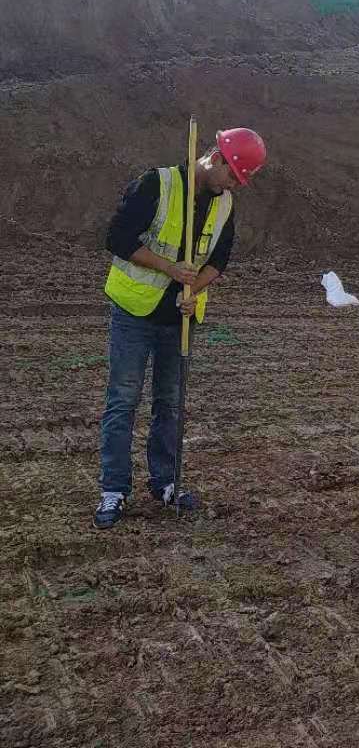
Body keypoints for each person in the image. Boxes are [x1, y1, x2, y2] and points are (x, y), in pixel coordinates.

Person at [94, 127, 267, 529]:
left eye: (240, 182)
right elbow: (117, 238)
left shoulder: (224, 205)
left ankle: (166, 482)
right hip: (135, 310)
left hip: (181, 318)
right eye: (232, 176)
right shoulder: (157, 184)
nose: (233, 187)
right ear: (215, 158)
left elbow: (219, 259)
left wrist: (195, 287)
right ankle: (114, 491)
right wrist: (171, 269)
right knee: (123, 401)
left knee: (170, 404)